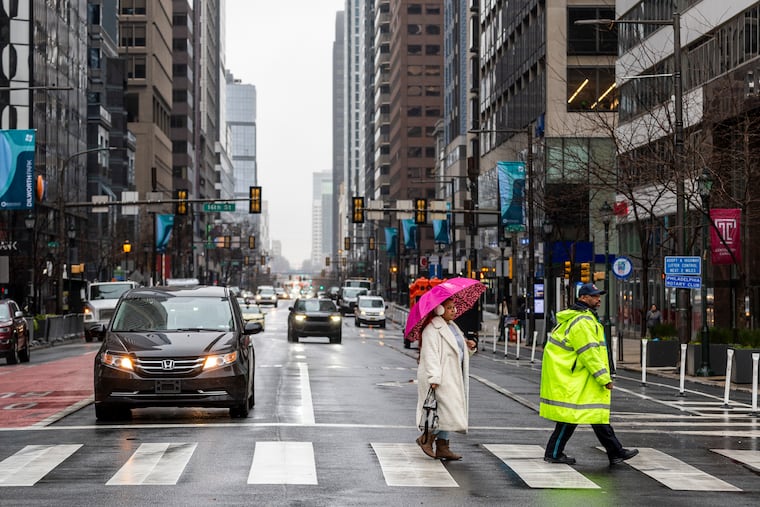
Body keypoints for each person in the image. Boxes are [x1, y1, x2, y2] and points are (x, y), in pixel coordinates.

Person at [539, 282, 638, 466]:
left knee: (595, 415)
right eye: (594, 296)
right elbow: (589, 353)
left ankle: (615, 452)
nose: (598, 299)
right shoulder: (583, 322)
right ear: (583, 298)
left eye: (599, 296)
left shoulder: (584, 318)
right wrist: (604, 378)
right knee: (572, 417)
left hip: (579, 376)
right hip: (578, 378)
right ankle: (553, 453)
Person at [415, 298, 477, 460]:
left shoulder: (452, 327)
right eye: (449, 308)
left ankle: (443, 445)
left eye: (454, 307)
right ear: (439, 310)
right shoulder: (432, 329)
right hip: (439, 377)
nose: (454, 310)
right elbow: (430, 354)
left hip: (452, 375)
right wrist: (434, 377)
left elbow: (457, 352)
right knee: (444, 410)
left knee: (447, 411)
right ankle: (426, 439)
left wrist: (469, 347)